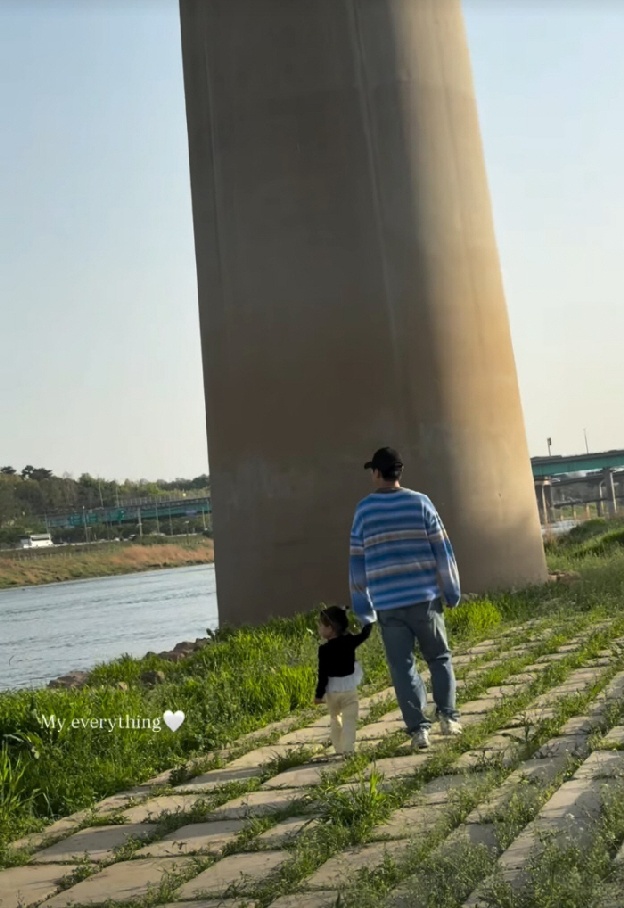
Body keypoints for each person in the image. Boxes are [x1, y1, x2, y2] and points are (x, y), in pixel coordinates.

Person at [349, 446, 462, 751]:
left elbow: (356, 563)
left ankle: (418, 731)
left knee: (402, 667)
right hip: (425, 599)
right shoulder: (421, 503)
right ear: (400, 472)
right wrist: (452, 591)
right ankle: (448, 718)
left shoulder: (364, 510)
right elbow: (443, 550)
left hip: (388, 604)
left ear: (376, 473)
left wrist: (363, 609)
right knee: (439, 657)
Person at [314, 605, 372, 756]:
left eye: (321, 625)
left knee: (335, 718)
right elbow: (365, 634)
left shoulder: (324, 650)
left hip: (332, 692)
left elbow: (323, 674)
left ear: (331, 628)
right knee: (350, 720)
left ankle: (338, 747)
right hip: (349, 690)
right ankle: (348, 749)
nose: (319, 628)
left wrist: (319, 694)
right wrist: (368, 618)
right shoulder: (349, 641)